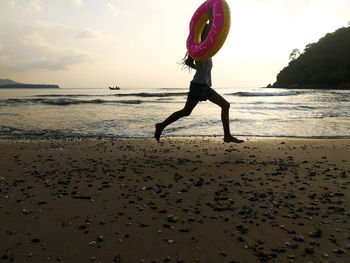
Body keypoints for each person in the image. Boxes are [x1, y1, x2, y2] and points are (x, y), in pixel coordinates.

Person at [155, 8, 243, 144]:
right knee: (187, 111)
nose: (209, 35)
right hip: (198, 85)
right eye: (207, 33)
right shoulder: (198, 48)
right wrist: (209, 16)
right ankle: (160, 125)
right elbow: (188, 61)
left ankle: (227, 136)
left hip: (205, 86)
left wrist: (199, 69)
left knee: (224, 106)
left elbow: (190, 62)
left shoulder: (207, 51)